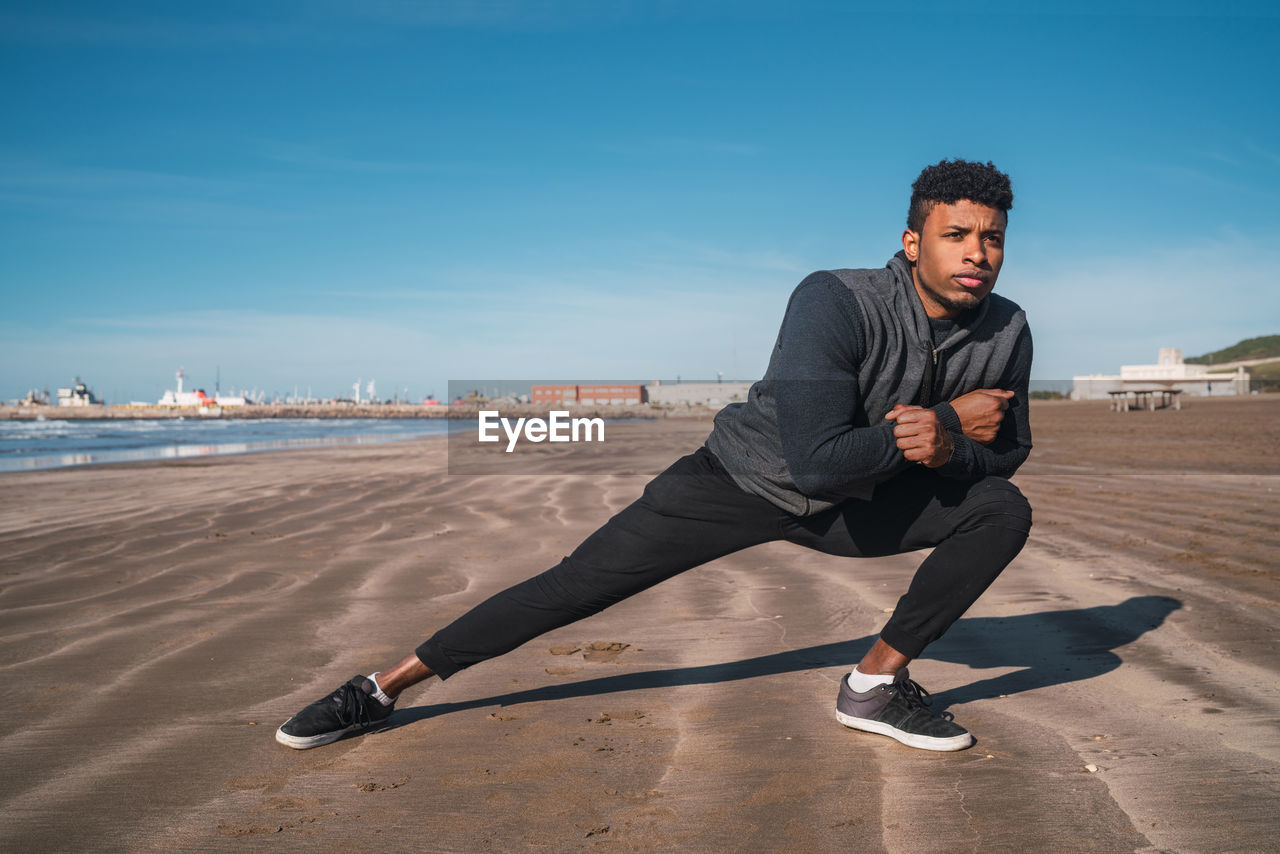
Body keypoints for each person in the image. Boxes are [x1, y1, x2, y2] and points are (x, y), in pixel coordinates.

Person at [276, 159, 1033, 753]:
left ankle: (872, 685)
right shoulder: (836, 299)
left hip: (861, 505)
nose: (977, 254)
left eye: (992, 238)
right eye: (956, 235)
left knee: (1001, 510)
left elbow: (1011, 451)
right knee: (572, 586)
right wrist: (941, 424)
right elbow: (816, 464)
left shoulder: (1008, 332)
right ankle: (381, 689)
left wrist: (950, 454)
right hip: (740, 480)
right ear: (913, 243)